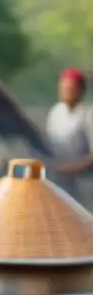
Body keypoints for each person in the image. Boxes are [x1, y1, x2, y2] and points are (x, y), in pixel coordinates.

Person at [46, 68, 93, 202]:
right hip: (60, 180)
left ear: (80, 90)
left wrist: (70, 167)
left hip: (84, 182)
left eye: (70, 89)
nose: (66, 92)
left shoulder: (88, 115)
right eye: (63, 88)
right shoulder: (55, 112)